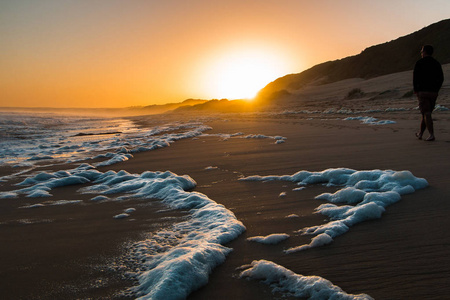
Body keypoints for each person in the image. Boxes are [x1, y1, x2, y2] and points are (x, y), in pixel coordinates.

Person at [413, 45, 444, 141]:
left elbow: (415, 78)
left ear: (425, 52)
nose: (421, 53)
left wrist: (416, 90)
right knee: (426, 113)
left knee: (426, 113)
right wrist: (436, 89)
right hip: (433, 92)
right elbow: (441, 78)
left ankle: (431, 134)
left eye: (422, 51)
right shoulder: (436, 63)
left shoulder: (419, 63)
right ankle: (420, 134)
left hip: (423, 92)